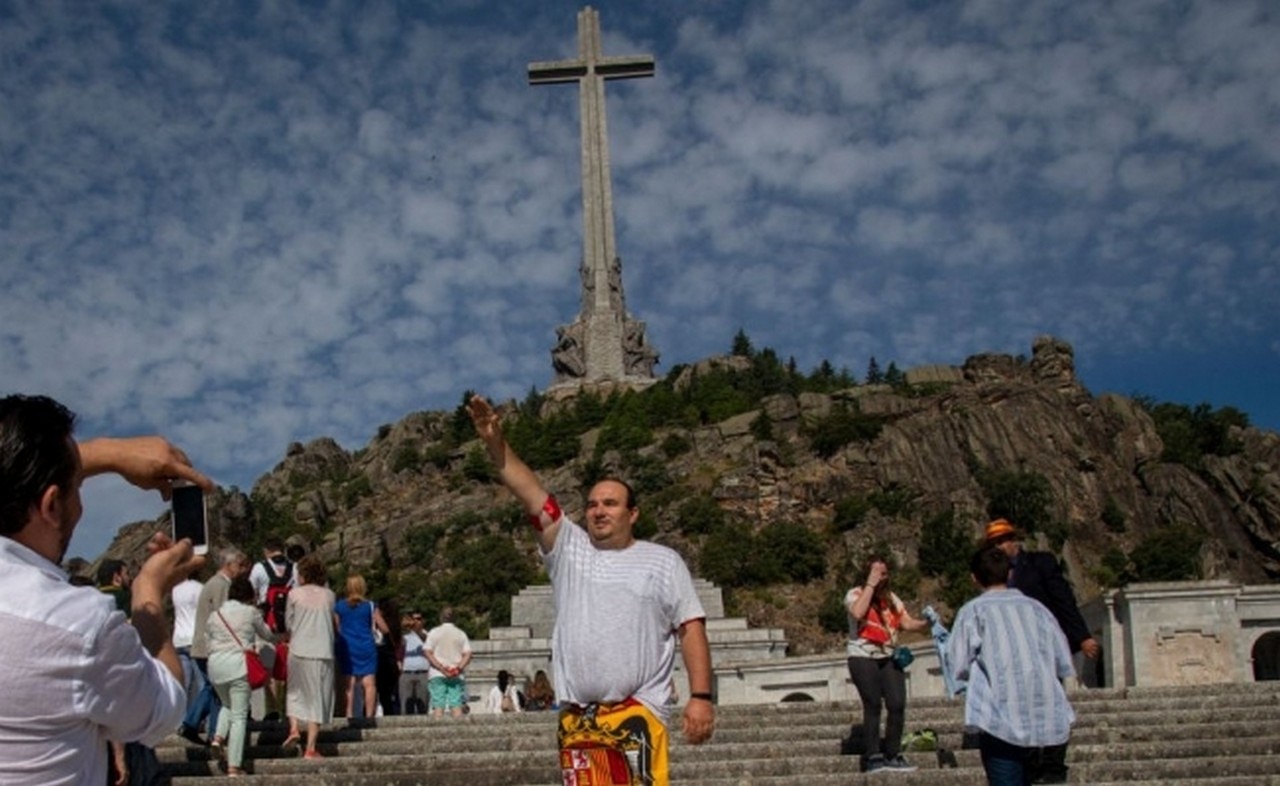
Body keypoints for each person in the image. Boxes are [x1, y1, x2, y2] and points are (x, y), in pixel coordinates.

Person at [468, 395, 714, 786]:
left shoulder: (663, 561)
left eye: (611, 503)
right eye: (593, 504)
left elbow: (691, 628)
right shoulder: (570, 548)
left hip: (638, 711)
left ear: (632, 514)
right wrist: (494, 442)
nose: (599, 510)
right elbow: (530, 492)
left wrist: (702, 697)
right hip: (578, 718)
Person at [0, 394, 210, 786]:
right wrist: (148, 593)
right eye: (75, 488)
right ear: (50, 505)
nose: (79, 505)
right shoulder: (78, 625)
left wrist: (108, 453)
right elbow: (164, 708)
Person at [948, 546, 1075, 786]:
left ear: (974, 578)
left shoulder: (973, 612)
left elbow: (958, 664)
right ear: (1009, 574)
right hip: (1043, 718)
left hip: (999, 717)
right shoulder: (1039, 610)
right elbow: (1062, 659)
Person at [985, 518, 1096, 784]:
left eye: (1003, 540)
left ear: (1014, 540)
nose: (1000, 546)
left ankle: (1054, 764)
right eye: (994, 543)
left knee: (1051, 703)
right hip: (1013, 653)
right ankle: (1032, 762)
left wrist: (1081, 636)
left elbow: (1063, 599)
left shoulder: (1040, 563)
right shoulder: (994, 574)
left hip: (1043, 647)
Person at [844, 555, 929, 773]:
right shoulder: (855, 594)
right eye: (876, 572)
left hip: (889, 655)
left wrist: (926, 624)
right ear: (867, 573)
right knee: (872, 704)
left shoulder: (892, 599)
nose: (881, 576)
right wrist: (870, 585)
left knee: (897, 703)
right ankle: (873, 755)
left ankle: (893, 753)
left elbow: (905, 622)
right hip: (862, 654)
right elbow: (858, 612)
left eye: (883, 573)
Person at [207, 576, 275, 776]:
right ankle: (234, 766)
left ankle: (217, 738)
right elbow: (267, 634)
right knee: (239, 716)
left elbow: (208, 638)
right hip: (238, 665)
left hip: (216, 666)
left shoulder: (215, 615)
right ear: (249, 595)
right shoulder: (250, 612)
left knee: (227, 705)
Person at [183, 547, 250, 745]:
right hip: (210, 647)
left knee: (213, 689)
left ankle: (201, 727)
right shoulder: (221, 586)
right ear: (228, 565)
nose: (242, 570)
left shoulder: (212, 584)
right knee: (216, 689)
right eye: (238, 565)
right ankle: (198, 725)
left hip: (204, 646)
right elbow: (225, 616)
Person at [282, 555, 336, 760]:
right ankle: (311, 747)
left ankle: (294, 728)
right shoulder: (329, 595)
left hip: (297, 649)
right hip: (321, 650)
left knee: (294, 691)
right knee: (317, 697)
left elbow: (289, 623)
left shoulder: (294, 594)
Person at [249, 537, 294, 719]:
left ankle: (273, 709)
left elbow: (252, 592)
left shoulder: (260, 568)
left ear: (266, 550)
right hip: (290, 625)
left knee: (268, 666)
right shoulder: (294, 567)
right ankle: (290, 709)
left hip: (267, 622)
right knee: (289, 665)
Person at [333, 573, 388, 718]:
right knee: (369, 684)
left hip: (347, 647)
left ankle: (349, 714)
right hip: (366, 646)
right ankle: (369, 715)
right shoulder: (370, 606)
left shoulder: (339, 606)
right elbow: (384, 628)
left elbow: (336, 628)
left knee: (349, 685)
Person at [425, 606, 473, 718]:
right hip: (455, 674)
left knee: (438, 704)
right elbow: (468, 654)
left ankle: (438, 731)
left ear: (441, 618)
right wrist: (458, 668)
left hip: (437, 673)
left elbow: (427, 652)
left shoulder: (434, 632)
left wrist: (441, 668)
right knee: (456, 704)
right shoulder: (461, 634)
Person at [375, 597, 405, 716]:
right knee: (389, 695)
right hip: (392, 662)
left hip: (382, 660)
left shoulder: (383, 628)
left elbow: (384, 635)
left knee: (379, 692)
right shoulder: (396, 625)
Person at [400, 611, 430, 714]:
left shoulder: (427, 634)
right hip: (406, 672)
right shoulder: (404, 635)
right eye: (414, 619)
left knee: (423, 706)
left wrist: (417, 629)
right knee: (405, 707)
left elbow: (426, 640)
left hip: (423, 673)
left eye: (419, 619)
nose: (416, 622)